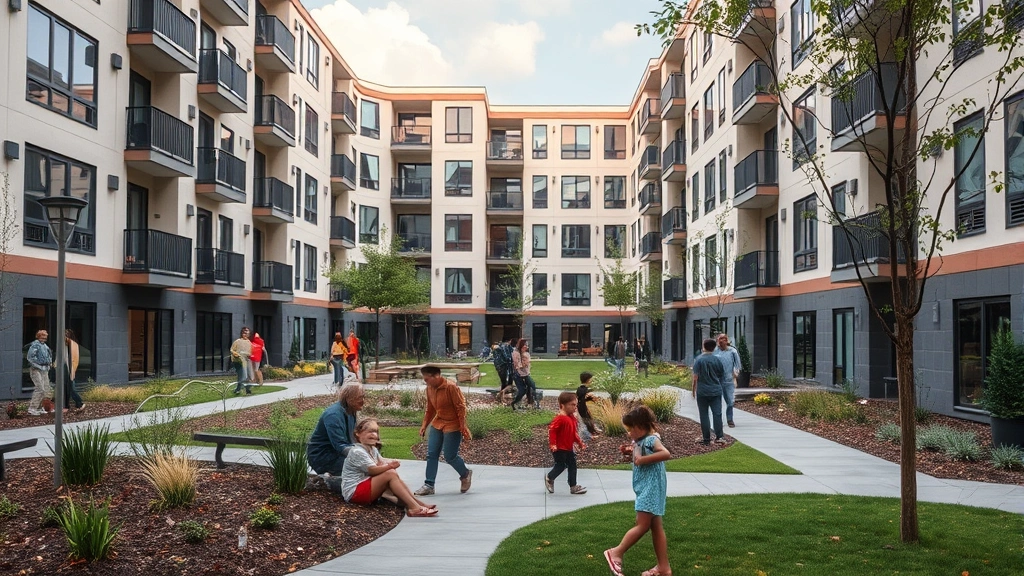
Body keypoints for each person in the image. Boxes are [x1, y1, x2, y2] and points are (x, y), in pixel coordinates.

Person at [604, 405, 672, 576]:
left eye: (630, 429)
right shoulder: (642, 441)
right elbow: (639, 455)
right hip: (650, 488)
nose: (629, 433)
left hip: (650, 488)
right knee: (656, 526)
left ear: (640, 427)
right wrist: (631, 452)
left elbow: (665, 454)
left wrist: (642, 460)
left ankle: (616, 552)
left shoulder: (651, 440)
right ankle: (663, 568)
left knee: (642, 525)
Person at [341, 418, 438, 517]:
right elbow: (372, 470)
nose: (374, 435)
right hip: (355, 492)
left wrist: (391, 463)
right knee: (390, 473)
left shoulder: (372, 449)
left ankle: (416, 503)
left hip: (365, 486)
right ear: (358, 433)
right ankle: (414, 508)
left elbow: (381, 462)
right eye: (370, 431)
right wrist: (390, 466)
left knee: (391, 473)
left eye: (376, 432)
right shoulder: (357, 451)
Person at [414, 365, 473, 496]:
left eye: (427, 379)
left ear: (436, 376)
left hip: (453, 424)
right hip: (438, 422)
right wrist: (424, 425)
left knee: (450, 456)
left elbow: (461, 408)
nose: (425, 382)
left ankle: (465, 473)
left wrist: (463, 426)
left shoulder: (451, 387)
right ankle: (429, 485)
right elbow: (430, 409)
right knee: (432, 454)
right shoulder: (430, 388)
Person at [307, 384, 365, 486]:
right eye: (360, 397)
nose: (363, 401)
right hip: (323, 457)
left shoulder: (351, 411)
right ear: (349, 398)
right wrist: (364, 457)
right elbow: (340, 446)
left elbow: (353, 439)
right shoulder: (333, 415)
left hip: (337, 454)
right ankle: (327, 480)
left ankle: (328, 477)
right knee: (363, 470)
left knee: (371, 466)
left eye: (363, 397)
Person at [545, 391, 587, 495]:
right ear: (562, 405)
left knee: (572, 465)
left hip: (568, 448)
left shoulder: (571, 418)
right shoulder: (560, 419)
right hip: (559, 448)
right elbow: (552, 431)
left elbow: (573, 433)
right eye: (572, 405)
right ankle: (550, 477)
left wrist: (579, 442)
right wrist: (553, 444)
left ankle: (573, 486)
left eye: (576, 405)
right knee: (561, 465)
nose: (575, 407)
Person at [692, 338, 726, 445]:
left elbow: (695, 377)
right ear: (714, 347)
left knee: (704, 414)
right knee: (717, 414)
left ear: (703, 346)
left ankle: (706, 438)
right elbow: (721, 375)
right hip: (716, 390)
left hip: (702, 391)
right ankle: (719, 436)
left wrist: (693, 390)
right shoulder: (717, 360)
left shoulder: (699, 360)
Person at [713, 333, 742, 428]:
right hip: (716, 380)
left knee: (730, 401)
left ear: (727, 340)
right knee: (717, 401)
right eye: (720, 339)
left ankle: (730, 419)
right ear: (717, 341)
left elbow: (737, 364)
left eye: (724, 339)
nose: (722, 341)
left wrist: (735, 373)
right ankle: (718, 421)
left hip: (728, 379)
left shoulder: (732, 351)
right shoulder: (714, 352)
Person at [26, 329, 53, 416]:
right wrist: (38, 364)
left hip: (44, 369)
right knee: (40, 389)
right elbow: (30, 357)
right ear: (38, 336)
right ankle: (32, 408)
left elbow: (49, 356)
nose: (44, 339)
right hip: (36, 369)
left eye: (45, 337)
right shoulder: (35, 345)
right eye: (42, 337)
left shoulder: (45, 346)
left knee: (46, 389)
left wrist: (49, 364)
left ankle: (40, 407)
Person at [61, 329, 85, 412]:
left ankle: (80, 403)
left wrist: (72, 370)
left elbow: (74, 359)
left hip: (70, 369)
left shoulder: (73, 345)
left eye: (66, 335)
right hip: (65, 368)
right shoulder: (65, 345)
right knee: (66, 388)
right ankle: (66, 406)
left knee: (71, 388)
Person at [511, 338, 538, 410]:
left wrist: (527, 363)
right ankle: (514, 403)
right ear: (521, 345)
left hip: (526, 374)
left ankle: (534, 403)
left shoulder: (526, 353)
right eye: (525, 345)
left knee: (532, 385)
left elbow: (528, 364)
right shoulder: (516, 353)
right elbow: (517, 366)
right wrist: (525, 363)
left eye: (527, 345)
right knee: (523, 390)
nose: (527, 346)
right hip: (518, 375)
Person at [230, 327, 252, 395]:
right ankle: (243, 389)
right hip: (238, 361)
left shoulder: (249, 343)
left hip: (246, 360)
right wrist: (236, 354)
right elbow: (232, 350)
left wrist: (249, 355)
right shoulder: (237, 341)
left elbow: (250, 352)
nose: (246, 335)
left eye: (247, 333)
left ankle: (242, 389)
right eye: (244, 333)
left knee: (246, 375)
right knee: (243, 375)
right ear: (242, 333)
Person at [576, 371, 598, 437]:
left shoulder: (579, 389)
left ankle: (593, 431)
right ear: (588, 380)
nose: (592, 380)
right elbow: (584, 398)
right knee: (587, 420)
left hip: (581, 406)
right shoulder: (586, 390)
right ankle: (590, 435)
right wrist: (592, 398)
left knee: (588, 419)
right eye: (591, 379)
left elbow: (581, 398)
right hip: (584, 407)